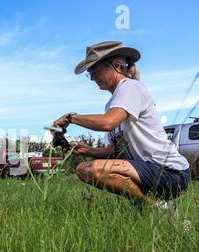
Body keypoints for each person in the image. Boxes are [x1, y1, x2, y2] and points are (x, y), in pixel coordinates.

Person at [53, 41, 191, 208]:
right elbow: (114, 150)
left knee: (94, 169)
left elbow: (108, 123)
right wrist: (87, 150)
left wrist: (70, 118)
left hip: (170, 171)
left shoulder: (130, 87)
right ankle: (155, 206)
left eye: (95, 70)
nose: (93, 77)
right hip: (146, 170)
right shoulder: (112, 104)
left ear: (116, 65)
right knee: (83, 169)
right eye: (90, 73)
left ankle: (156, 208)